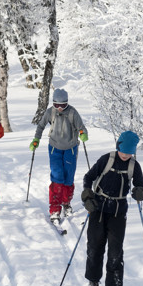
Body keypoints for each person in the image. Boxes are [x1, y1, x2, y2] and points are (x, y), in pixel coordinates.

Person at [80, 131, 143, 286]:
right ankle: (94, 282)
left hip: (119, 211)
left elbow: (140, 186)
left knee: (116, 251)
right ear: (118, 146)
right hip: (98, 208)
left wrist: (140, 192)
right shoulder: (106, 159)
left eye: (129, 153)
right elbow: (89, 177)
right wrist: (87, 196)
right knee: (95, 246)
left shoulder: (134, 165)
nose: (125, 156)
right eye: (123, 151)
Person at [30, 88, 89, 224]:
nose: (60, 108)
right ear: (53, 103)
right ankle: (55, 209)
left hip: (71, 149)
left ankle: (66, 203)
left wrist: (83, 133)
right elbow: (40, 126)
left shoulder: (73, 112)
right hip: (55, 148)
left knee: (68, 178)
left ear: (67, 103)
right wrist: (36, 139)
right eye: (57, 105)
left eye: (63, 105)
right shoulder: (50, 112)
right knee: (57, 177)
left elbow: (81, 126)